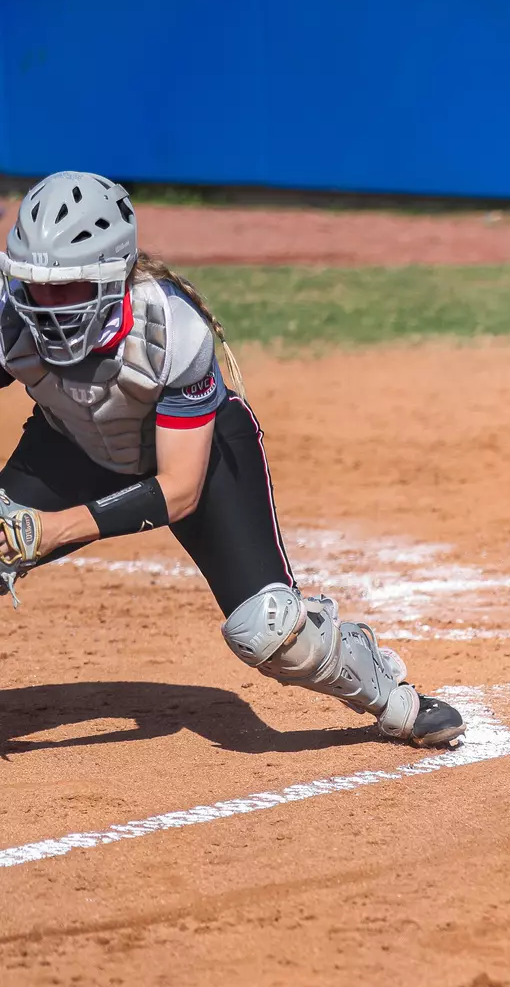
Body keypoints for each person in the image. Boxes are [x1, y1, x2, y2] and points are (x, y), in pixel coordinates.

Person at [0, 171, 463, 746]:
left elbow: (179, 490)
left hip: (201, 459)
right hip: (69, 445)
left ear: (112, 274)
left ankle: (392, 696)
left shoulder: (171, 332)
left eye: (67, 287)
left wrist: (50, 529)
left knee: (268, 631)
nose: (45, 304)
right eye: (34, 284)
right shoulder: (9, 314)